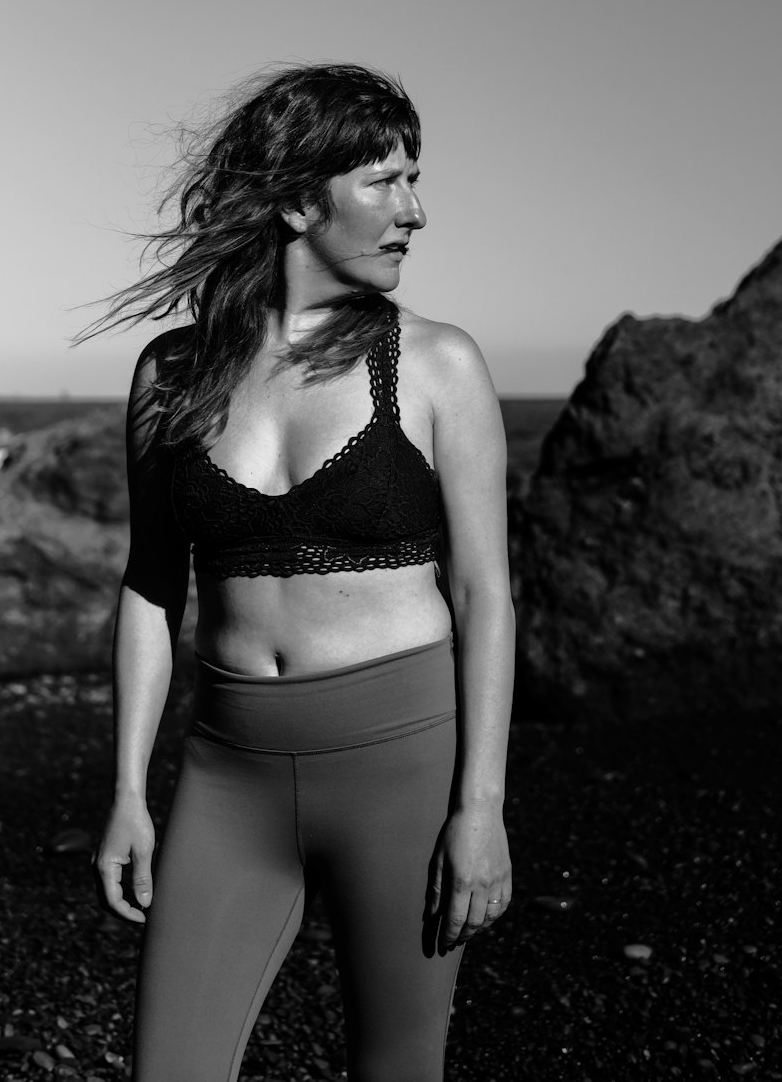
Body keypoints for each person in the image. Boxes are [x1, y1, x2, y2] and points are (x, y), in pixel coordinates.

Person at [92, 63, 515, 1082]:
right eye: (385, 181)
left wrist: (481, 807)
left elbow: (485, 594)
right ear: (295, 199)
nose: (416, 211)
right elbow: (153, 585)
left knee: (397, 1069)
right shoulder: (173, 374)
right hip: (227, 769)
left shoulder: (438, 366)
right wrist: (127, 793)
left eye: (415, 178)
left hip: (401, 767)